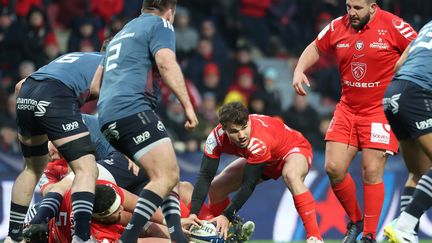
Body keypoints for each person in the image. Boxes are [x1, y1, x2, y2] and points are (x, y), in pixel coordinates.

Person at [292, 1, 416, 242]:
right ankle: (356, 220)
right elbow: (316, 46)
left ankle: (369, 234)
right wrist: (299, 69)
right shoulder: (338, 25)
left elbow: (419, 47)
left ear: (373, 7)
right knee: (334, 168)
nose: (351, 12)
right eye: (348, 6)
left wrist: (406, 73)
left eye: (357, 7)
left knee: (371, 171)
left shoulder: (394, 25)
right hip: (347, 109)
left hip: (379, 111)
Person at [96, 1, 198, 242]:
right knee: (168, 174)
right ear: (170, 11)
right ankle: (128, 239)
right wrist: (188, 106)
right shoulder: (160, 23)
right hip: (132, 109)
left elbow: (100, 77)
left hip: (107, 114)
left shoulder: (124, 31)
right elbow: (165, 62)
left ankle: (177, 238)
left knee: (165, 175)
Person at [188, 102, 323, 243]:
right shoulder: (215, 139)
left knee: (291, 175)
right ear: (224, 130)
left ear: (249, 121)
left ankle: (315, 237)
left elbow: (249, 184)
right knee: (216, 188)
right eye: (234, 131)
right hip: (262, 158)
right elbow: (205, 176)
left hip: (293, 149)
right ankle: (228, 235)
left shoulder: (258, 140)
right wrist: (193, 213)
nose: (241, 135)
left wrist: (226, 214)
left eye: (244, 127)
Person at [5, 52, 104, 243]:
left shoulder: (74, 56)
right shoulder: (113, 60)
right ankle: (82, 237)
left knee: (31, 169)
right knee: (87, 168)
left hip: (27, 94)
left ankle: (13, 236)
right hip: (56, 96)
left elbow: (19, 86)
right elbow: (96, 88)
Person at [382, 20, 432, 243]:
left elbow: (399, 64)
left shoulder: (428, 26)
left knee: (418, 172)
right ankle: (405, 225)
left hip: (393, 93)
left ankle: (403, 235)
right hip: (417, 94)